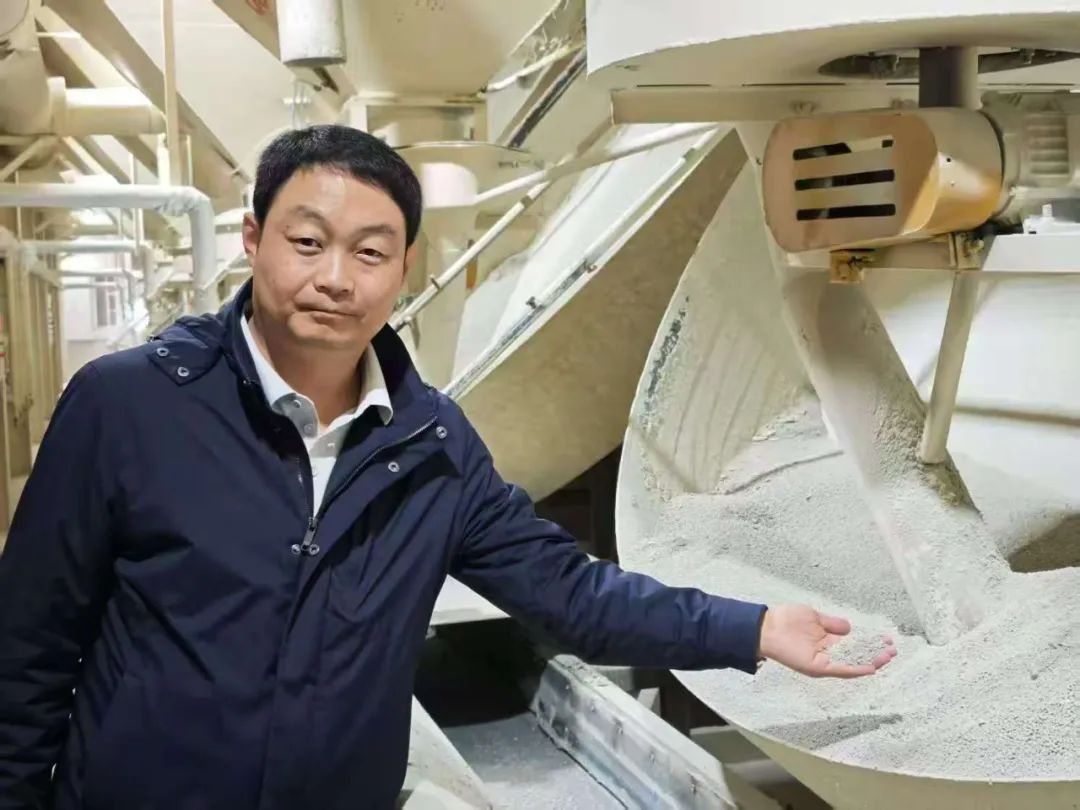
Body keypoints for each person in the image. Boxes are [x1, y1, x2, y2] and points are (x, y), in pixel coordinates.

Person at [0, 125, 895, 810]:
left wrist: (754, 629)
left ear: (403, 268)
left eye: (369, 253)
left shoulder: (431, 446)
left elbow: (569, 593)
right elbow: (28, 648)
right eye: (307, 243)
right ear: (253, 237)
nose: (336, 278)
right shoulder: (131, 406)